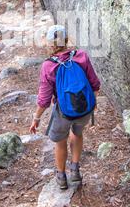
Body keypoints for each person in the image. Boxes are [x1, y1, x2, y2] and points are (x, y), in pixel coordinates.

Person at [29, 25, 101, 190]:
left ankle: (61, 177)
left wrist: (36, 118)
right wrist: (90, 103)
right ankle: (75, 171)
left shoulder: (48, 66)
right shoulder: (81, 56)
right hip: (84, 109)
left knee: (60, 142)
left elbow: (44, 99)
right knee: (77, 134)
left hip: (63, 112)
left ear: (49, 43)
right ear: (66, 39)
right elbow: (95, 84)